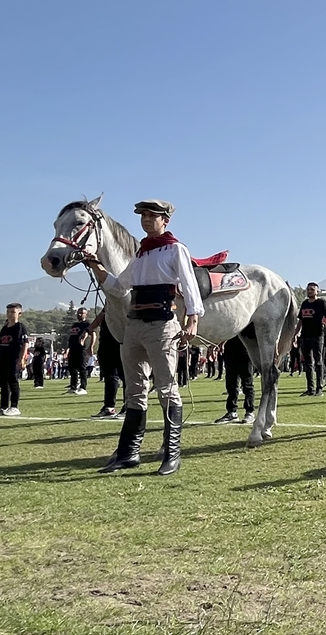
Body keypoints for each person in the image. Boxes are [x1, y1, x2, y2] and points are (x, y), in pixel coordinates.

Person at [84, 199, 203, 476]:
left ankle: (172, 454)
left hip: (162, 324)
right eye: (143, 215)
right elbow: (118, 286)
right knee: (134, 392)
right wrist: (95, 265)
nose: (146, 219)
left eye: (152, 215)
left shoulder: (175, 249)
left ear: (165, 220)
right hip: (133, 326)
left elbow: (189, 284)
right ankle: (128, 453)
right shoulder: (140, 255)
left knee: (166, 389)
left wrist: (193, 318)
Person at [0, 303, 30, 417]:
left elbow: (25, 344)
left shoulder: (20, 328)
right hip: (4, 359)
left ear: (19, 314)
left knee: (13, 381)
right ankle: (3, 407)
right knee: (3, 383)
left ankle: (14, 406)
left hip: (14, 358)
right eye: (8, 312)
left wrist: (22, 358)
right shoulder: (4, 329)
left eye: (13, 312)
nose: (10, 314)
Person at [296, 283, 326, 396]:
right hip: (304, 336)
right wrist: (295, 334)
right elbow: (300, 321)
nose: (310, 291)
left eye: (312, 289)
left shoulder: (322, 303)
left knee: (318, 362)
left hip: (318, 335)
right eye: (308, 289)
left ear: (317, 291)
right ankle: (310, 389)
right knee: (307, 363)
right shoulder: (304, 304)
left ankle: (319, 388)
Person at [89, 309, 125, 420]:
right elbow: (101, 315)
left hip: (121, 341)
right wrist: (89, 329)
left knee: (126, 376)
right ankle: (109, 407)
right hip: (106, 341)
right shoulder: (109, 302)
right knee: (110, 377)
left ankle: (129, 406)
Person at [215, 335, 255, 424]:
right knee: (231, 385)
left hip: (245, 352)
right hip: (230, 351)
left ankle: (249, 412)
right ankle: (232, 412)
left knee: (247, 384)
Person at [64, 307, 92, 395]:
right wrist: (67, 349)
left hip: (81, 349)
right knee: (72, 368)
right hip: (73, 349)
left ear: (86, 315)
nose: (79, 314)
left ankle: (83, 387)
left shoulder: (87, 324)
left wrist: (90, 346)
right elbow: (71, 338)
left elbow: (93, 334)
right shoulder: (74, 325)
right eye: (78, 313)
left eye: (81, 313)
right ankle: (73, 386)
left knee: (82, 368)